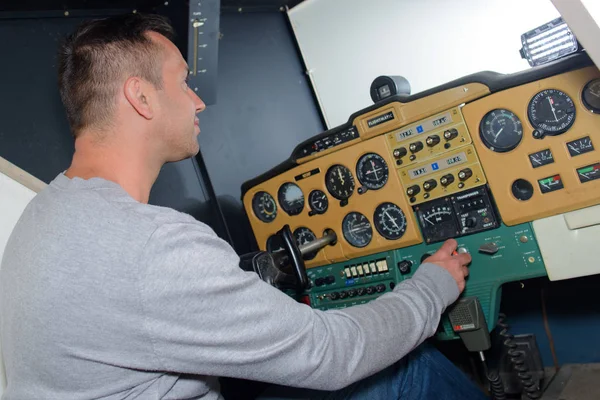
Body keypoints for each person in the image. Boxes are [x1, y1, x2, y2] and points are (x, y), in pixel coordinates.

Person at [0, 13, 486, 400]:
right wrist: (434, 284)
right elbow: (335, 355)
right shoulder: (152, 244)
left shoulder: (45, 214)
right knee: (407, 372)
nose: (198, 102)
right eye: (184, 82)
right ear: (141, 96)